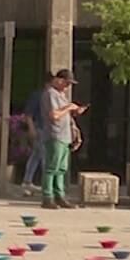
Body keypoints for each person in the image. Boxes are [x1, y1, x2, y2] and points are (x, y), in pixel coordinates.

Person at [41, 68, 88, 210]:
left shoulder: (61, 95)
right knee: (51, 167)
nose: (67, 87)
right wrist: (68, 107)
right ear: (59, 80)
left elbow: (63, 114)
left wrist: (75, 111)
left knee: (61, 169)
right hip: (55, 135)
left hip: (64, 135)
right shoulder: (50, 94)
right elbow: (54, 115)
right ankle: (47, 197)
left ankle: (59, 196)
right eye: (66, 83)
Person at [19, 84, 48, 195]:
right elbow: (29, 114)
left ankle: (27, 181)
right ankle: (47, 185)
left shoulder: (51, 95)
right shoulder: (39, 95)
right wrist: (31, 128)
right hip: (40, 128)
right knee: (45, 157)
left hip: (45, 128)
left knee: (36, 155)